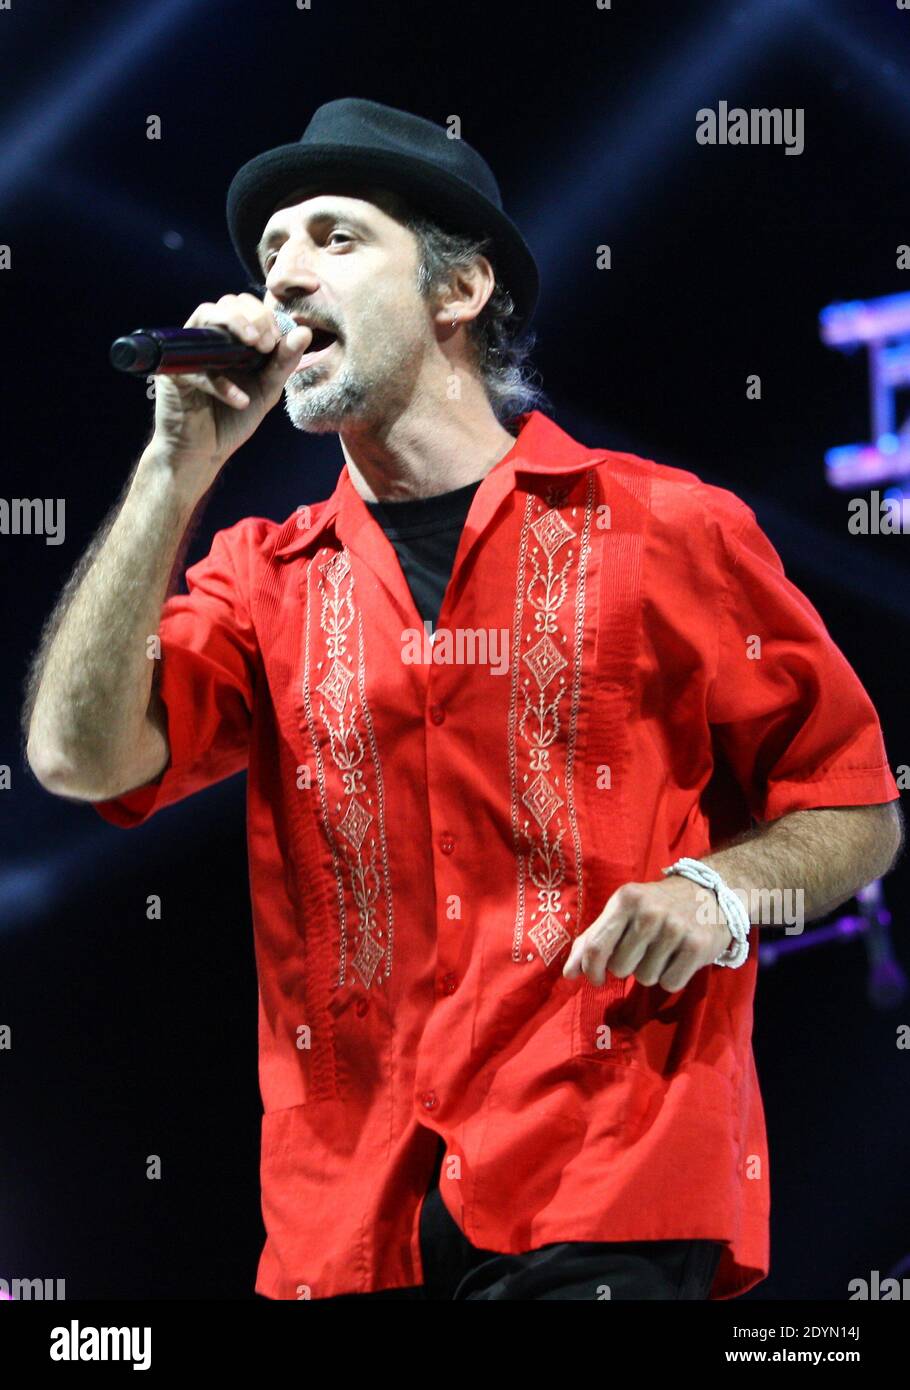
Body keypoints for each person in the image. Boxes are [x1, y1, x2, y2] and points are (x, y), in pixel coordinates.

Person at [22, 98, 904, 1301]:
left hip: (604, 1188)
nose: (282, 272)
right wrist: (173, 472)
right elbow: (78, 759)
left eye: (333, 236)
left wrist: (723, 889)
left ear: (459, 290)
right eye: (270, 248)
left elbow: (854, 807)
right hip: (346, 1224)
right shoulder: (258, 578)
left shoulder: (666, 527)